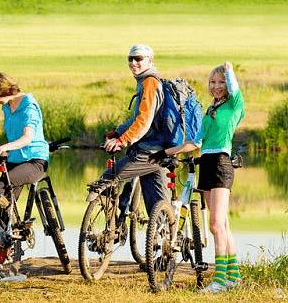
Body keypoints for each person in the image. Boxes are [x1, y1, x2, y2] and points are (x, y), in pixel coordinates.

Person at [150, 61, 245, 294]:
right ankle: (234, 276)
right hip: (206, 163)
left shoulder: (235, 105)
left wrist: (229, 70)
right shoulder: (211, 110)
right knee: (221, 225)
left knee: (215, 224)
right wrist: (165, 152)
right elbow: (196, 142)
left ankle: (220, 280)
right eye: (212, 82)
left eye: (221, 82)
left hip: (222, 164)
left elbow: (234, 88)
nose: (216, 86)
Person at [0, 71, 50, 280]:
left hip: (34, 161)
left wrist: (5, 146)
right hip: (14, 161)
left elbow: (27, 138)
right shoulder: (7, 107)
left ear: (2, 89)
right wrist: (4, 152)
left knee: (3, 185)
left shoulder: (28, 106)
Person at [97, 44, 169, 226]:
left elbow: (143, 121)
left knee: (107, 179)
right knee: (158, 208)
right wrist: (118, 131)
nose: (133, 63)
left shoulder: (150, 82)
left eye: (138, 59)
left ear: (150, 61)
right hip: (161, 149)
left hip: (149, 152)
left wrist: (122, 140)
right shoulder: (145, 81)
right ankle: (164, 244)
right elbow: (137, 118)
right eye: (130, 58)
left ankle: (111, 229)